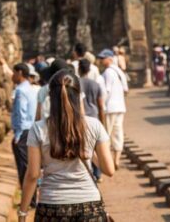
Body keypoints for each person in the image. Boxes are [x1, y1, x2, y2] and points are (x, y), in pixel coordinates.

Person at [18, 70, 115, 222]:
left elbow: (33, 175)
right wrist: (87, 152)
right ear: (78, 96)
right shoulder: (94, 125)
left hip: (51, 206)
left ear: (50, 96)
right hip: (90, 206)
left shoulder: (38, 129)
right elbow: (109, 170)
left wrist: (23, 212)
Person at [99, 49, 128, 169]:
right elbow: (126, 89)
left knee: (106, 135)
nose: (101, 61)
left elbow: (106, 91)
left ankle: (109, 162)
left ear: (109, 59)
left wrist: (102, 106)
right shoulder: (119, 71)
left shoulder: (108, 72)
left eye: (102, 58)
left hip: (110, 107)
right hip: (120, 107)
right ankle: (116, 160)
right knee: (118, 133)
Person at [12, 62, 40, 183]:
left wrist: (18, 134)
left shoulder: (20, 91)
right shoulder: (31, 88)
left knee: (23, 165)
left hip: (23, 131)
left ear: (20, 73)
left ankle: (29, 198)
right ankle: (31, 198)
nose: (12, 76)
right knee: (28, 163)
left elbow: (21, 113)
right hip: (31, 128)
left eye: (14, 73)